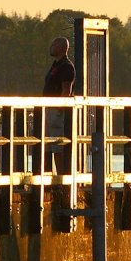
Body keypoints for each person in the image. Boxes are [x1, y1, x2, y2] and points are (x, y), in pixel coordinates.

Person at [42, 36, 75, 173]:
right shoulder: (56, 65)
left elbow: (66, 90)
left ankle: (62, 178)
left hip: (57, 111)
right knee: (48, 147)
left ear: (61, 48)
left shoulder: (66, 66)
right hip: (48, 109)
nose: (51, 46)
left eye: (54, 44)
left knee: (58, 148)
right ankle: (51, 179)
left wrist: (59, 109)